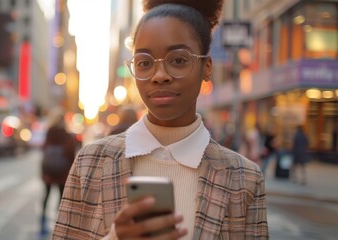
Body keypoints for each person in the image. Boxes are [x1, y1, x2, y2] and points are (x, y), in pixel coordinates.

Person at [52, 1, 269, 239]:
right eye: (144, 63)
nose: (160, 75)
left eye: (178, 60)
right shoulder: (90, 163)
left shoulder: (245, 178)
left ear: (207, 67)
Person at [40, 110, 76, 236]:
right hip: (63, 172)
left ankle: (42, 225)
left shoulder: (49, 133)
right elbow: (71, 154)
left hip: (48, 171)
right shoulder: (67, 135)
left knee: (46, 196)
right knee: (62, 199)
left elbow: (44, 150)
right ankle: (60, 226)